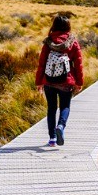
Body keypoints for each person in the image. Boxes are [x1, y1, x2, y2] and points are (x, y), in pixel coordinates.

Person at [35, 15, 84, 146]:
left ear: (54, 26)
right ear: (68, 26)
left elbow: (42, 63)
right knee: (65, 106)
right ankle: (61, 127)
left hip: (49, 81)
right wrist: (79, 82)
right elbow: (78, 64)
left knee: (51, 109)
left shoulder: (48, 42)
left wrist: (39, 82)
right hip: (66, 82)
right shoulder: (72, 42)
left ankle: (52, 139)